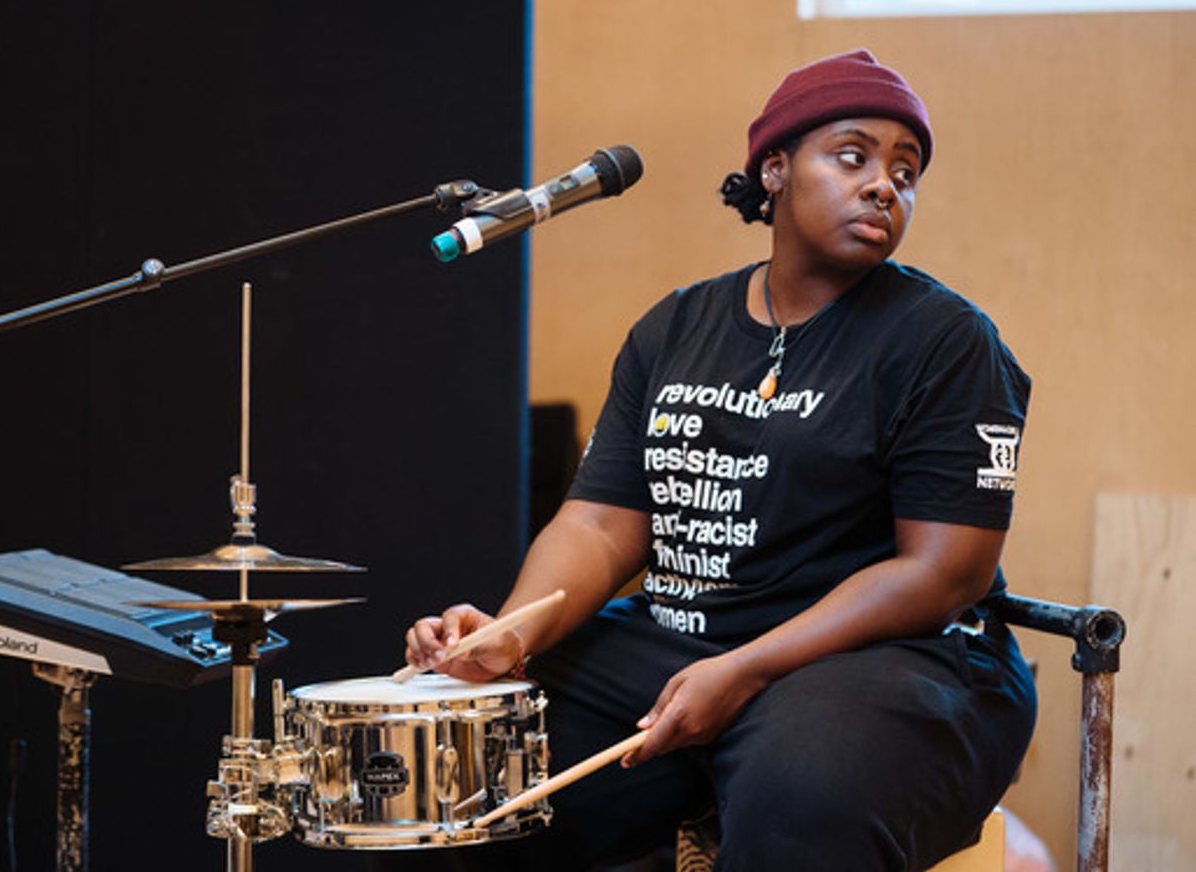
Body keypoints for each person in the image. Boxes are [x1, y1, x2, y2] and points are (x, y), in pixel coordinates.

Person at [404, 50, 1037, 871]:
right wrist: (511, 635)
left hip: (892, 658)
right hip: (685, 638)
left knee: (801, 791)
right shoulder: (674, 328)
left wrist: (745, 668)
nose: (885, 184)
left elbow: (941, 574)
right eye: (853, 156)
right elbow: (599, 523)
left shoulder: (945, 341)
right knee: (455, 761)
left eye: (905, 171)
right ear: (773, 168)